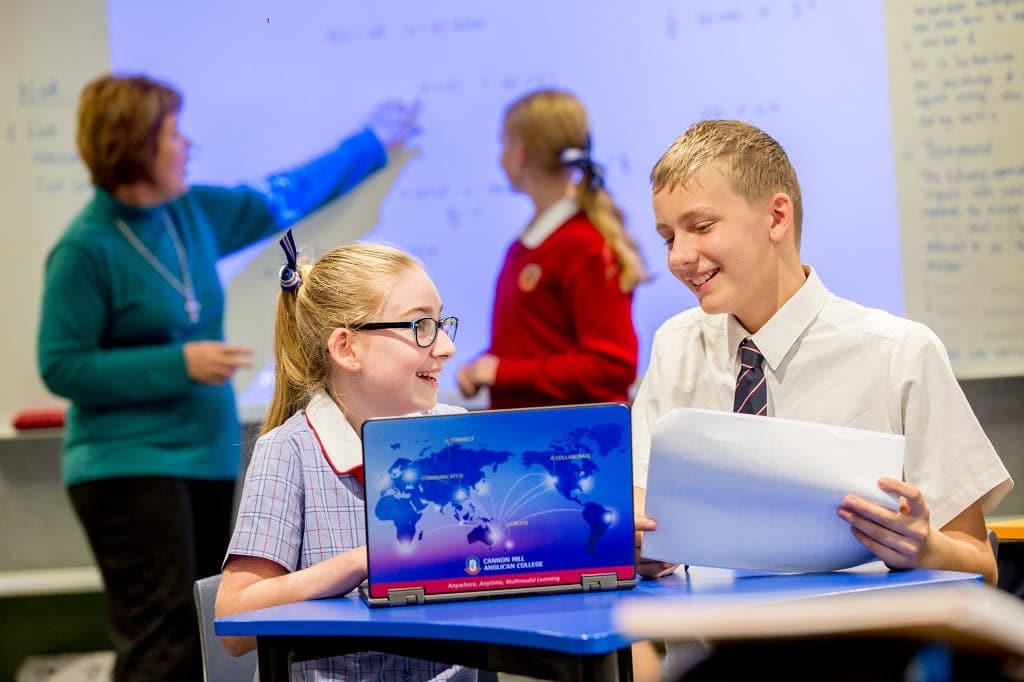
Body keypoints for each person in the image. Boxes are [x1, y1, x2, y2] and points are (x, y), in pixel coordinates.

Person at [36, 72, 419, 681]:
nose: (187, 145)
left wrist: (371, 143)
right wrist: (177, 363)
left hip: (204, 459)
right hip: (129, 468)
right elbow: (61, 364)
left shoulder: (189, 212)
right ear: (132, 143)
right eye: (172, 134)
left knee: (203, 636)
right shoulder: (86, 248)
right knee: (163, 645)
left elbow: (286, 196)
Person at [633, 118, 1013, 583]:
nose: (678, 257)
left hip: (859, 649)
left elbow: (982, 564)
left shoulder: (900, 355)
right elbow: (638, 516)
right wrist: (635, 552)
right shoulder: (675, 348)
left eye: (702, 227)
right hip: (711, 649)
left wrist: (924, 547)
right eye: (669, 237)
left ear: (777, 217)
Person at [216, 232, 473, 680]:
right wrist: (361, 561)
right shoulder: (290, 452)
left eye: (442, 324)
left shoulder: (454, 435)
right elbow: (235, 622)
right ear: (346, 348)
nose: (446, 347)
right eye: (420, 326)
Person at [457, 88, 647, 408]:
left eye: (502, 144)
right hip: (530, 437)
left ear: (519, 153)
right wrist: (486, 366)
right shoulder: (529, 244)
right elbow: (536, 343)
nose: (500, 156)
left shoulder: (584, 245)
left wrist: (501, 372)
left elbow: (613, 366)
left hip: (571, 446)